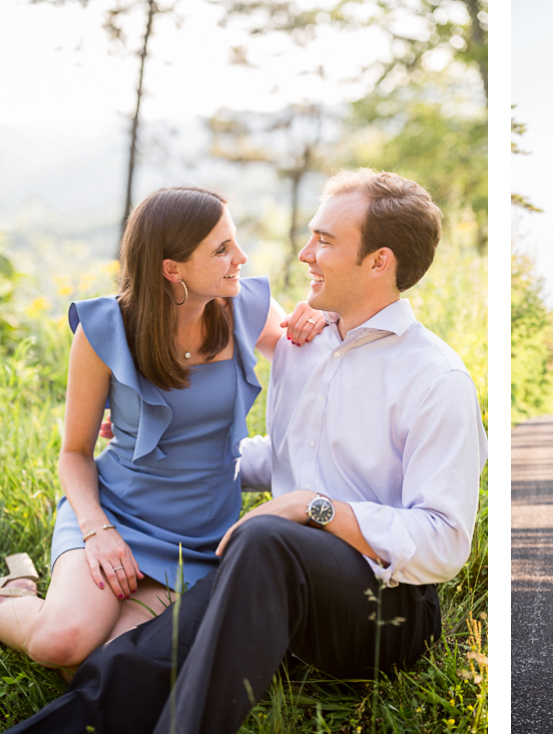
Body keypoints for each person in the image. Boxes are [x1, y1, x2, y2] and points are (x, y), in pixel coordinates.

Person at [4, 169, 487, 734]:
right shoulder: (303, 345)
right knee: (100, 654)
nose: (304, 254)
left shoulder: (436, 378)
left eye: (325, 241)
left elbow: (447, 544)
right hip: (268, 570)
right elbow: (283, 455)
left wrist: (314, 507)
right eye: (311, 235)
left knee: (265, 539)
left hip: (384, 606)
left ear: (379, 261)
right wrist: (174, 452)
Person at [0, 187, 324, 674]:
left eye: (233, 241)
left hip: (201, 535)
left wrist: (321, 320)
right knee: (61, 644)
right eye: (221, 249)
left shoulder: (247, 308)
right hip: (116, 514)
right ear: (172, 269)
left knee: (98, 668)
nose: (241, 257)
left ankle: (93, 610)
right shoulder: (105, 329)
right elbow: (74, 453)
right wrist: (99, 531)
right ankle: (16, 594)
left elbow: (313, 363)